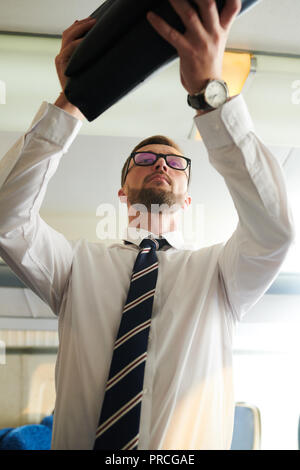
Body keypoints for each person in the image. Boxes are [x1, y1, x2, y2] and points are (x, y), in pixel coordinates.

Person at [0, 0, 294, 450]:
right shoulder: (76, 268)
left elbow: (274, 230)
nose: (160, 164)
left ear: (188, 195)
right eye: (144, 159)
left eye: (175, 162)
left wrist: (211, 97)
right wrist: (73, 103)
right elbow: (7, 220)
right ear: (123, 190)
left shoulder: (220, 277)